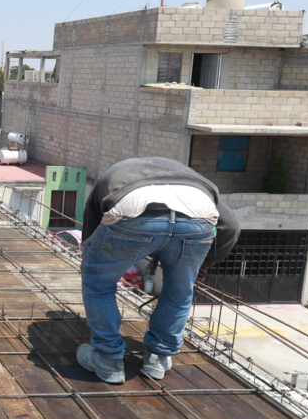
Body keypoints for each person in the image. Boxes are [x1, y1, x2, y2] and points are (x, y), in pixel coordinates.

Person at [77, 157, 239, 384]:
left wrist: (92, 262)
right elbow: (231, 227)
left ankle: (108, 359)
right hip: (198, 218)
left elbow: (93, 229)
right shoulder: (193, 181)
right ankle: (158, 358)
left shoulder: (116, 173)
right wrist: (202, 266)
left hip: (133, 210)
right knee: (180, 290)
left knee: (98, 284)